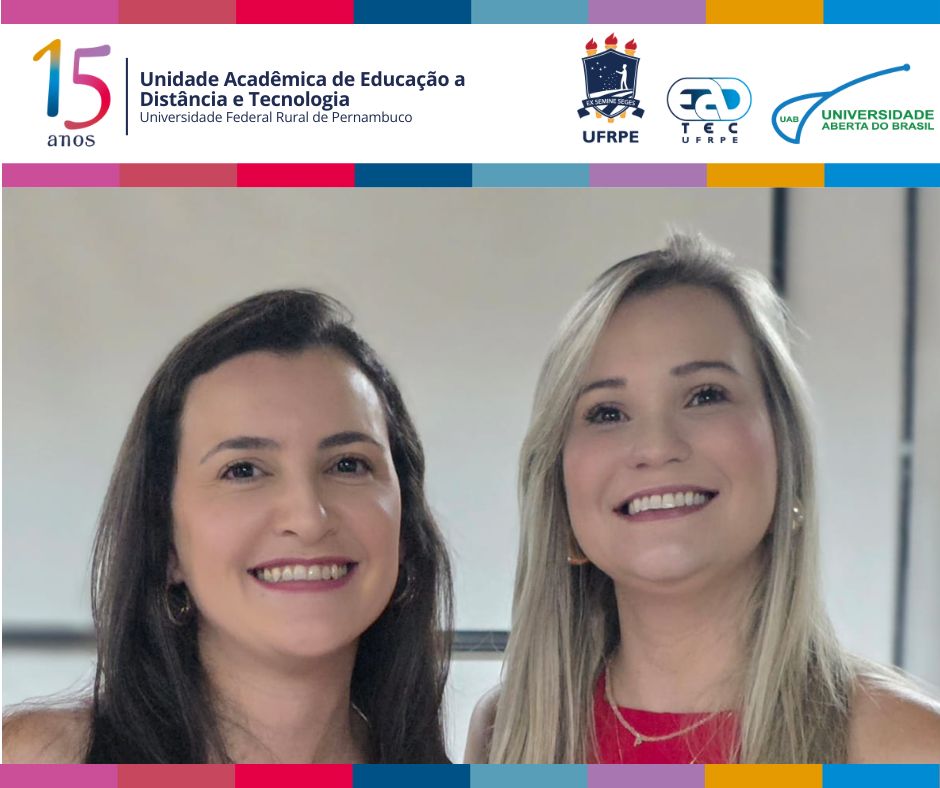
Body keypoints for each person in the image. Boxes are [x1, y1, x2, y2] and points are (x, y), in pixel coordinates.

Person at [466, 233, 940, 764]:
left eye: (705, 395)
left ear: (785, 449)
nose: (656, 446)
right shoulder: (505, 732)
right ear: (558, 490)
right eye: (607, 412)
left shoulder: (912, 750)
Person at [4, 290, 453, 763]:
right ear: (165, 542)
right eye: (243, 470)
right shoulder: (44, 762)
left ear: (405, 525)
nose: (308, 518)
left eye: (348, 464)